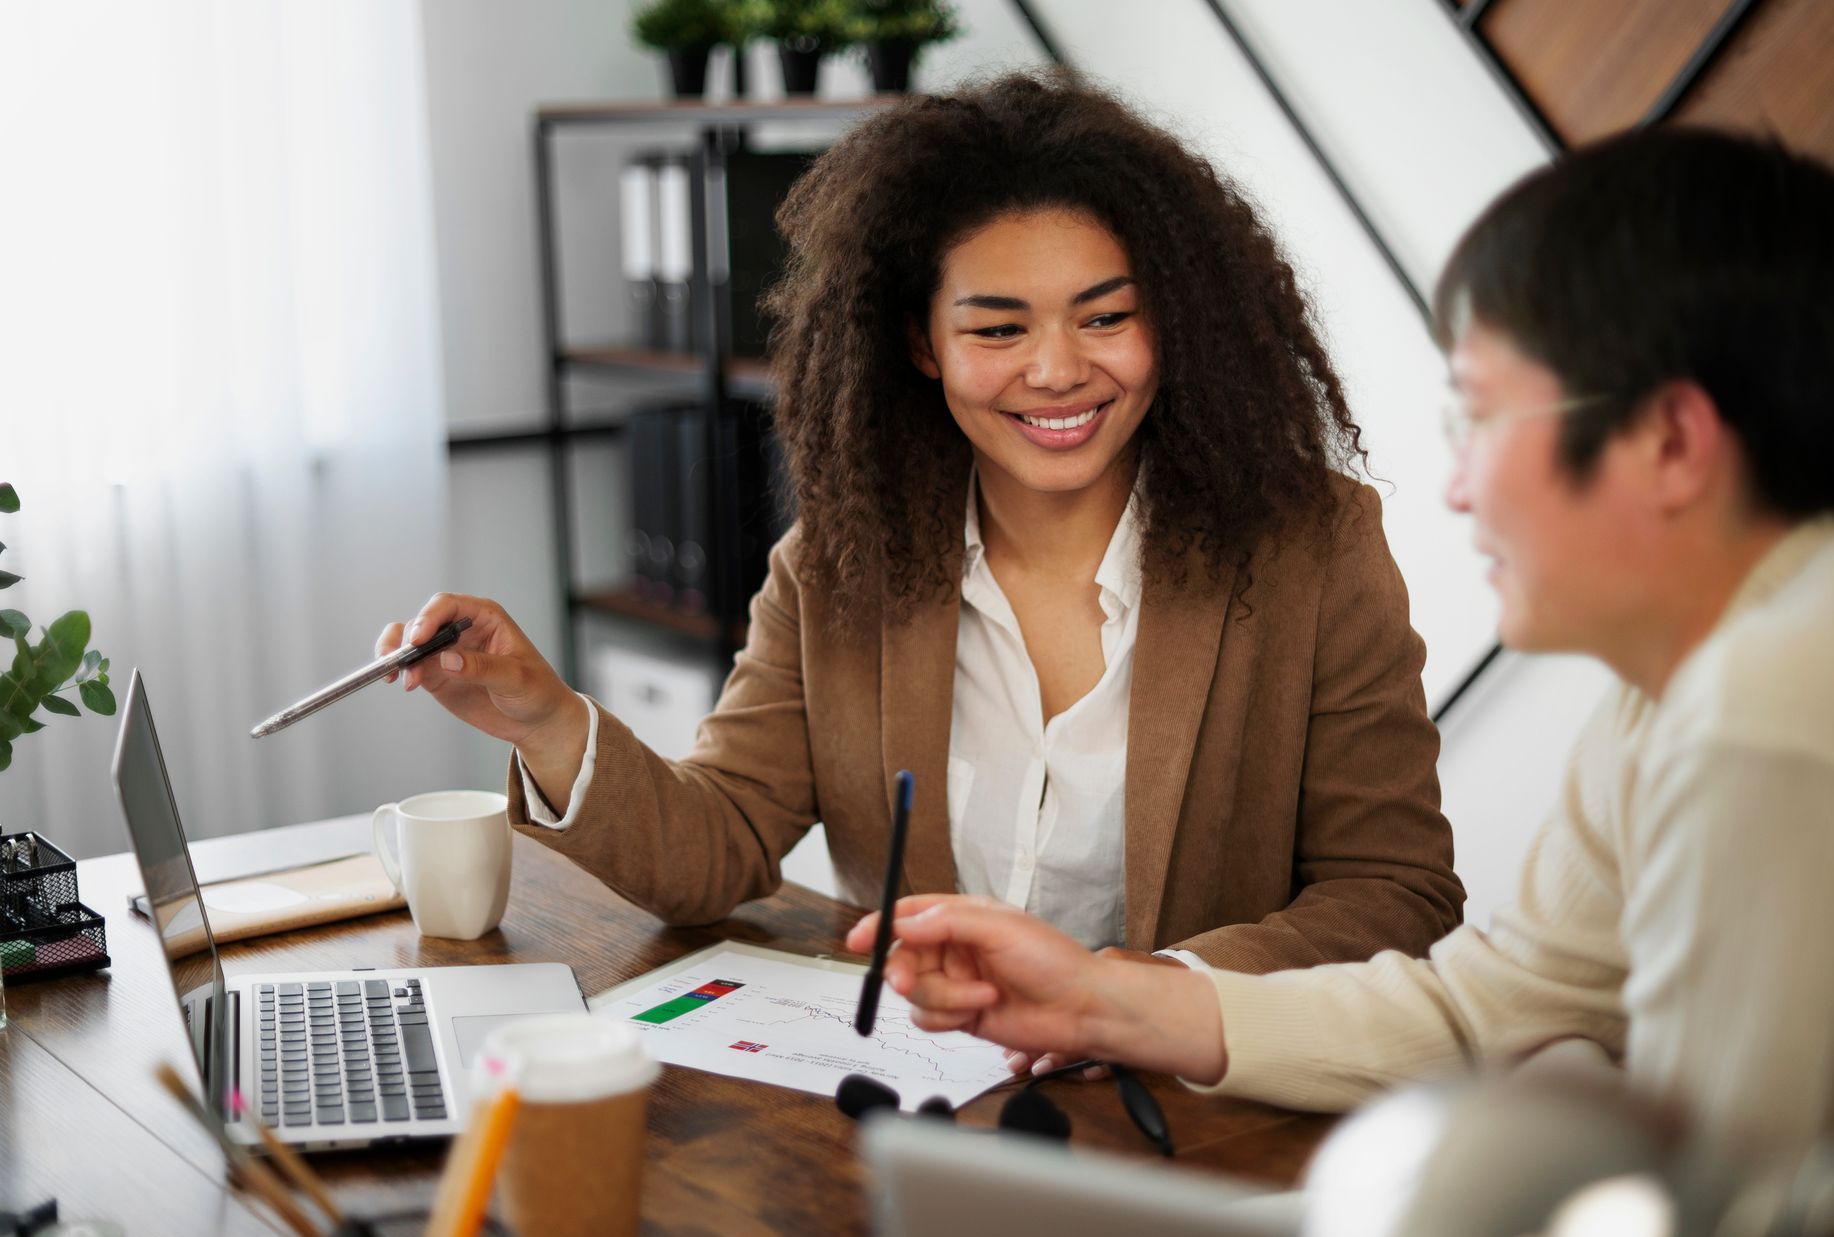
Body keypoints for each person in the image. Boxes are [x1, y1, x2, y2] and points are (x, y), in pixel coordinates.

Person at [849, 126, 1834, 1160]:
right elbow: (1495, 1007)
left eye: (1482, 419)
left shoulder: (1776, 715)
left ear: (1672, 441)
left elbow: (1767, 1218)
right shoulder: (1702, 677)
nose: (1455, 488)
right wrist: (1097, 997)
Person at [377, 72, 1462, 982]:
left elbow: (1396, 889)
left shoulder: (1312, 545)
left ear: (1170, 318)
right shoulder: (840, 565)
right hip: (928, 1101)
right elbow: (723, 844)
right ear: (922, 344)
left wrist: (1145, 995)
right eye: (998, 326)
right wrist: (545, 716)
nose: (1057, 370)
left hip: (1190, 1115)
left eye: (1107, 316)